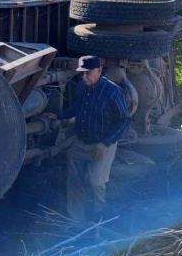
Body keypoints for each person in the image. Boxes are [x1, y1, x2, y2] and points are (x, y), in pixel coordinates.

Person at [48, 55, 130, 224]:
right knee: (74, 183)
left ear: (99, 71)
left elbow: (124, 121)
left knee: (96, 182)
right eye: (82, 73)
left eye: (88, 73)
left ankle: (99, 216)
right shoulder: (82, 87)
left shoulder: (113, 92)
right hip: (81, 141)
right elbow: (78, 107)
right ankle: (76, 221)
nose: (84, 77)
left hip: (103, 143)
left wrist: (105, 143)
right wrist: (60, 116)